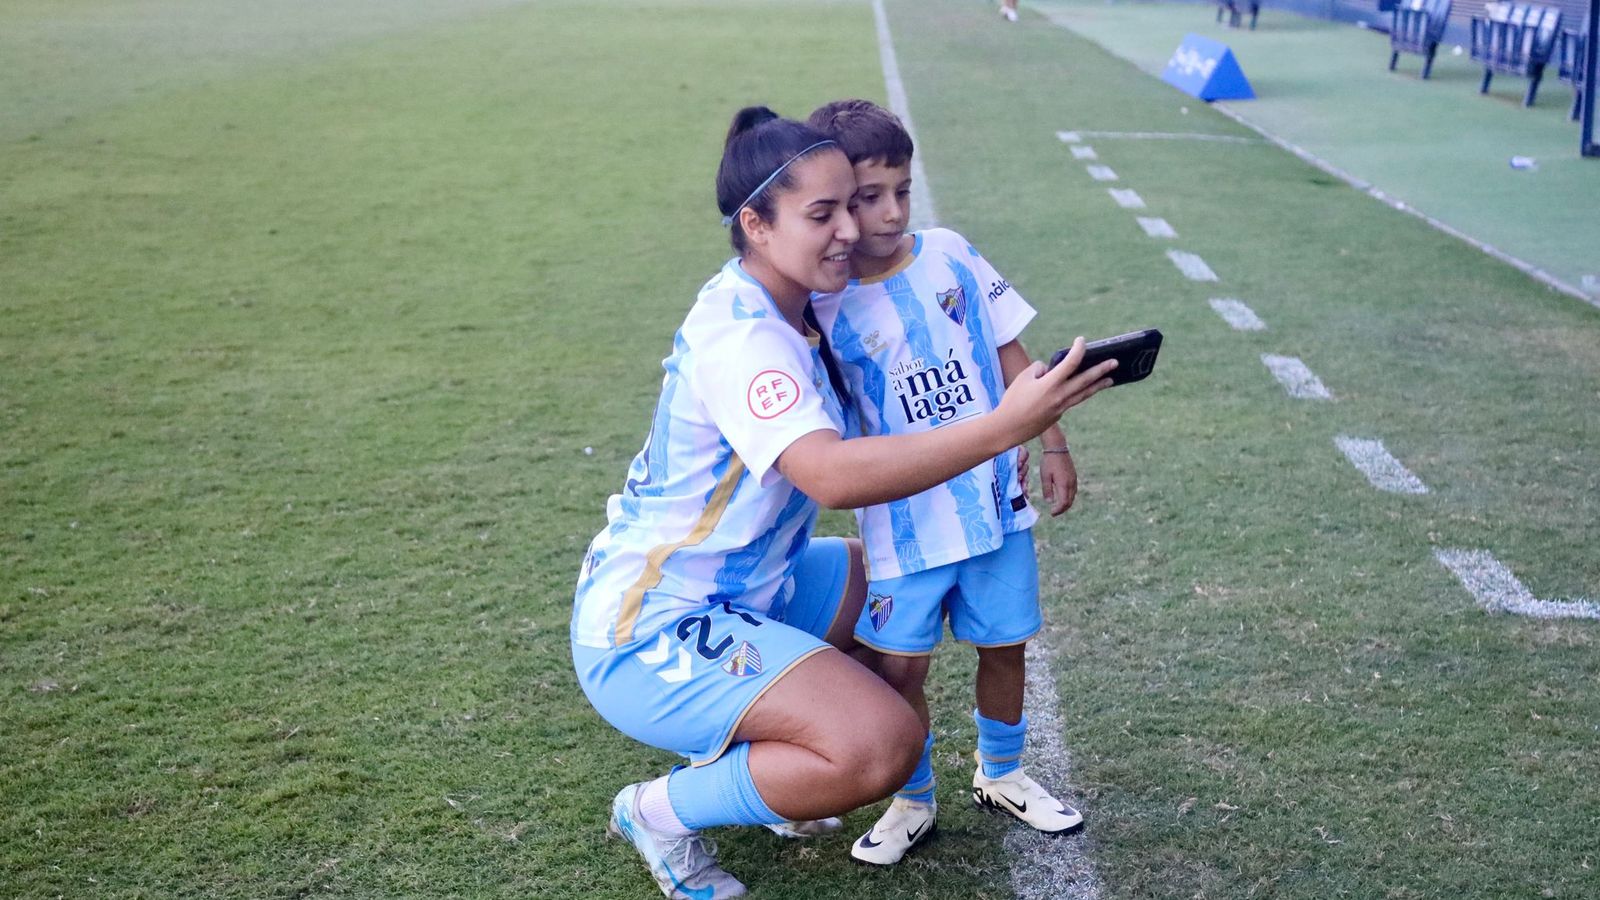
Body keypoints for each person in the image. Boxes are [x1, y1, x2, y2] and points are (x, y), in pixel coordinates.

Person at [571, 106, 1115, 900]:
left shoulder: (799, 306)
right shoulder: (744, 338)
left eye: (850, 206)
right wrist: (1004, 427)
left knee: (879, 585)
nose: (850, 232)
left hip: (751, 591)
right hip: (648, 626)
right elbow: (830, 475)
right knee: (877, 749)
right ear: (755, 224)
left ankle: (760, 763)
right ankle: (657, 811)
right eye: (821, 214)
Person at [805, 98, 1086, 867]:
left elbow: (1011, 354)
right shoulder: (822, 305)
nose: (891, 212)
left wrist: (1053, 444)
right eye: (868, 197)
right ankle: (914, 796)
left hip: (995, 505)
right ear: (833, 202)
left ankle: (1002, 773)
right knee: (902, 665)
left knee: (1007, 645)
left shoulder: (952, 254)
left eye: (902, 189)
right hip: (903, 524)